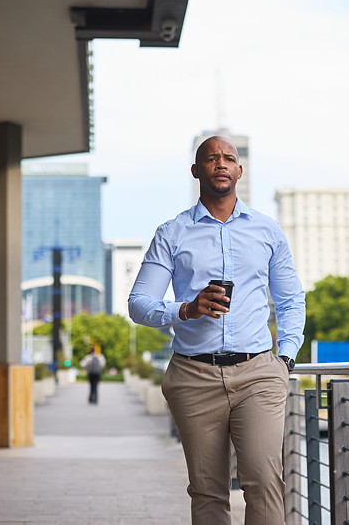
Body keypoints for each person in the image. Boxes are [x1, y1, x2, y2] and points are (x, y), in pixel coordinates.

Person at [129, 136, 306, 525]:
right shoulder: (172, 233)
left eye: (229, 158)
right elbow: (138, 303)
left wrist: (286, 357)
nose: (221, 164)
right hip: (193, 376)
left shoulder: (267, 231)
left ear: (239, 171)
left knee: (263, 481)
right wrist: (186, 309)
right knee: (208, 490)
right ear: (197, 171)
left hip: (257, 373)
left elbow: (292, 300)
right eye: (211, 158)